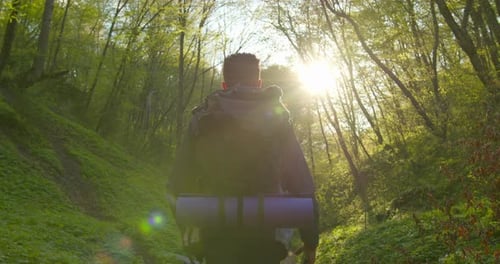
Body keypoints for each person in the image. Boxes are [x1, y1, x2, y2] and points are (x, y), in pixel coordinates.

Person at [168, 53, 318, 264]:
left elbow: (177, 185)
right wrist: (311, 243)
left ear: (223, 84)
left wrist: (190, 237)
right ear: (258, 83)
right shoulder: (278, 118)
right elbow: (303, 187)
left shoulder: (202, 119)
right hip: (267, 242)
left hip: (216, 242)